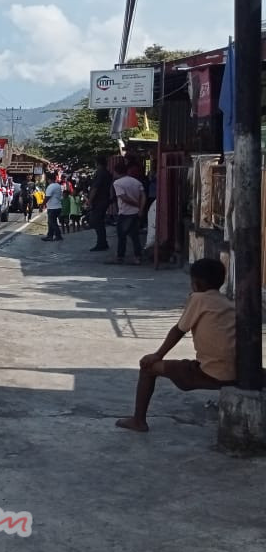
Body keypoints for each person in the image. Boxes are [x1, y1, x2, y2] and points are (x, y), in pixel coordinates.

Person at [116, 258, 235, 432]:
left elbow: (178, 330)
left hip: (210, 372)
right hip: (238, 372)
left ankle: (138, 421)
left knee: (147, 368)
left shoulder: (198, 298)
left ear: (196, 283)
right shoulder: (229, 303)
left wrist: (158, 355)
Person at [107, 160, 145, 265]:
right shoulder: (136, 182)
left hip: (125, 213)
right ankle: (138, 257)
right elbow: (143, 196)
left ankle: (120, 256)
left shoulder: (117, 183)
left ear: (116, 172)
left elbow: (123, 197)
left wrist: (136, 204)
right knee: (135, 236)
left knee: (121, 236)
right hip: (136, 213)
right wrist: (141, 208)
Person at [87, 156, 112, 252]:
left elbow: (95, 188)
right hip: (105, 199)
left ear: (97, 163)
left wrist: (90, 200)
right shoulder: (107, 173)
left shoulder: (100, 173)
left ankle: (101, 243)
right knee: (99, 221)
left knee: (96, 221)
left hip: (99, 201)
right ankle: (102, 242)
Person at [41, 172, 63, 242]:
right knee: (51, 222)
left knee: (52, 222)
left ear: (49, 179)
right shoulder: (58, 185)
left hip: (53, 207)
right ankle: (50, 236)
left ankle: (58, 236)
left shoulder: (51, 186)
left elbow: (47, 197)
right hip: (58, 206)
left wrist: (42, 205)